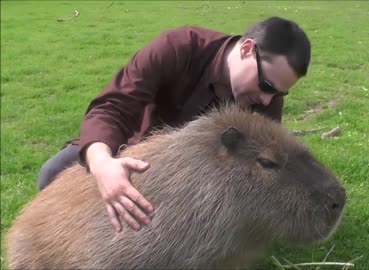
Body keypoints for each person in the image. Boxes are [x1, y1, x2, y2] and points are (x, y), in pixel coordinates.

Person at [37, 16, 311, 232]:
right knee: (53, 172)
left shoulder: (266, 100)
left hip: (203, 185)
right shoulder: (178, 47)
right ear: (247, 49)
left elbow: (263, 165)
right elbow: (114, 105)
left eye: (278, 93)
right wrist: (102, 165)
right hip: (131, 151)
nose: (266, 101)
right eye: (265, 85)